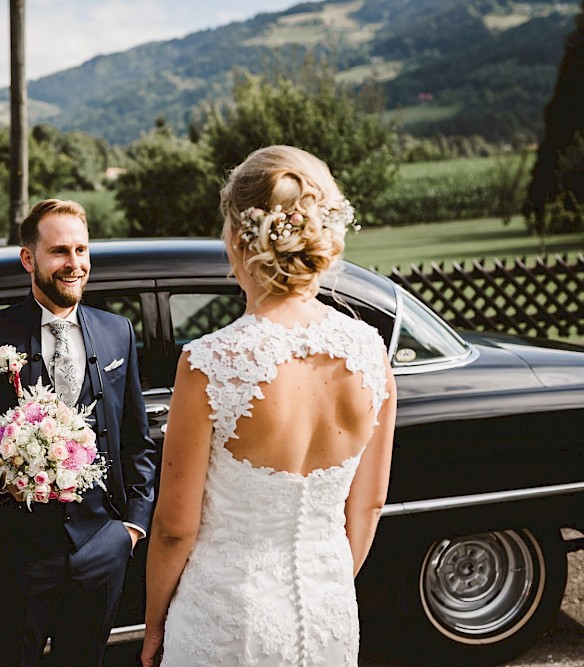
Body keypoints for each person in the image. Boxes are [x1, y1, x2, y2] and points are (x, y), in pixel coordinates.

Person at [140, 145, 398, 666]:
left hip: (228, 619)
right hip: (328, 612)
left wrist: (153, 625)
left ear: (239, 238)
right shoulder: (371, 351)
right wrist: (325, 586)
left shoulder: (210, 364)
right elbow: (367, 506)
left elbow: (173, 528)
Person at [0, 199, 157, 667]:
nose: (74, 264)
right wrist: (7, 464)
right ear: (28, 259)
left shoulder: (118, 333)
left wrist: (131, 528)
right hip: (14, 556)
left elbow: (138, 440)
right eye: (59, 252)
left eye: (81, 250)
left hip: (101, 546)